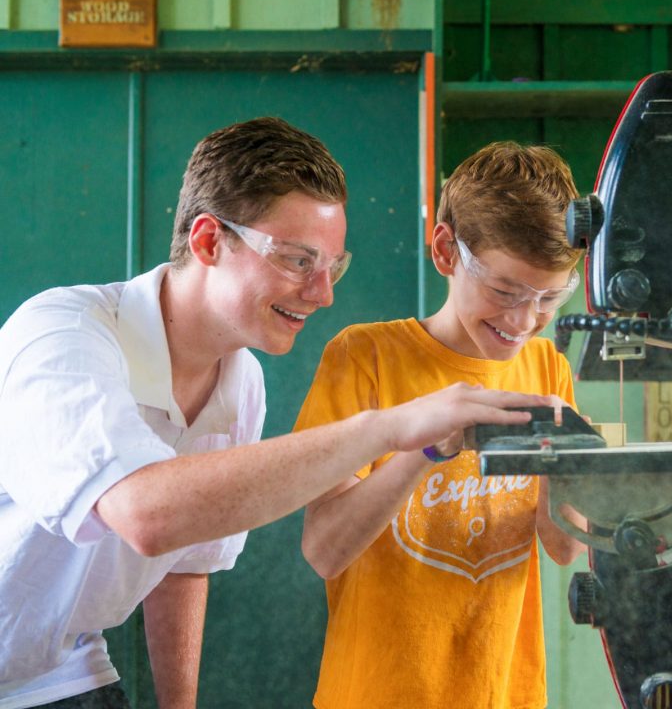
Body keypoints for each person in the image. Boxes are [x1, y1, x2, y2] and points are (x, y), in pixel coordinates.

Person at [0, 118, 553, 709]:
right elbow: (145, 514)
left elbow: (183, 560)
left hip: (63, 665)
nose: (323, 293)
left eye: (333, 267)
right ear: (209, 240)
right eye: (297, 261)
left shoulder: (242, 382)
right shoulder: (62, 333)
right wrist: (394, 428)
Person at [295, 141, 588, 709]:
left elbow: (564, 548)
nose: (524, 320)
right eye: (504, 291)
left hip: (504, 692)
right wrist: (425, 448)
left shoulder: (548, 368)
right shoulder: (364, 357)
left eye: (549, 297)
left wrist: (570, 464)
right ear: (447, 249)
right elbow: (324, 550)